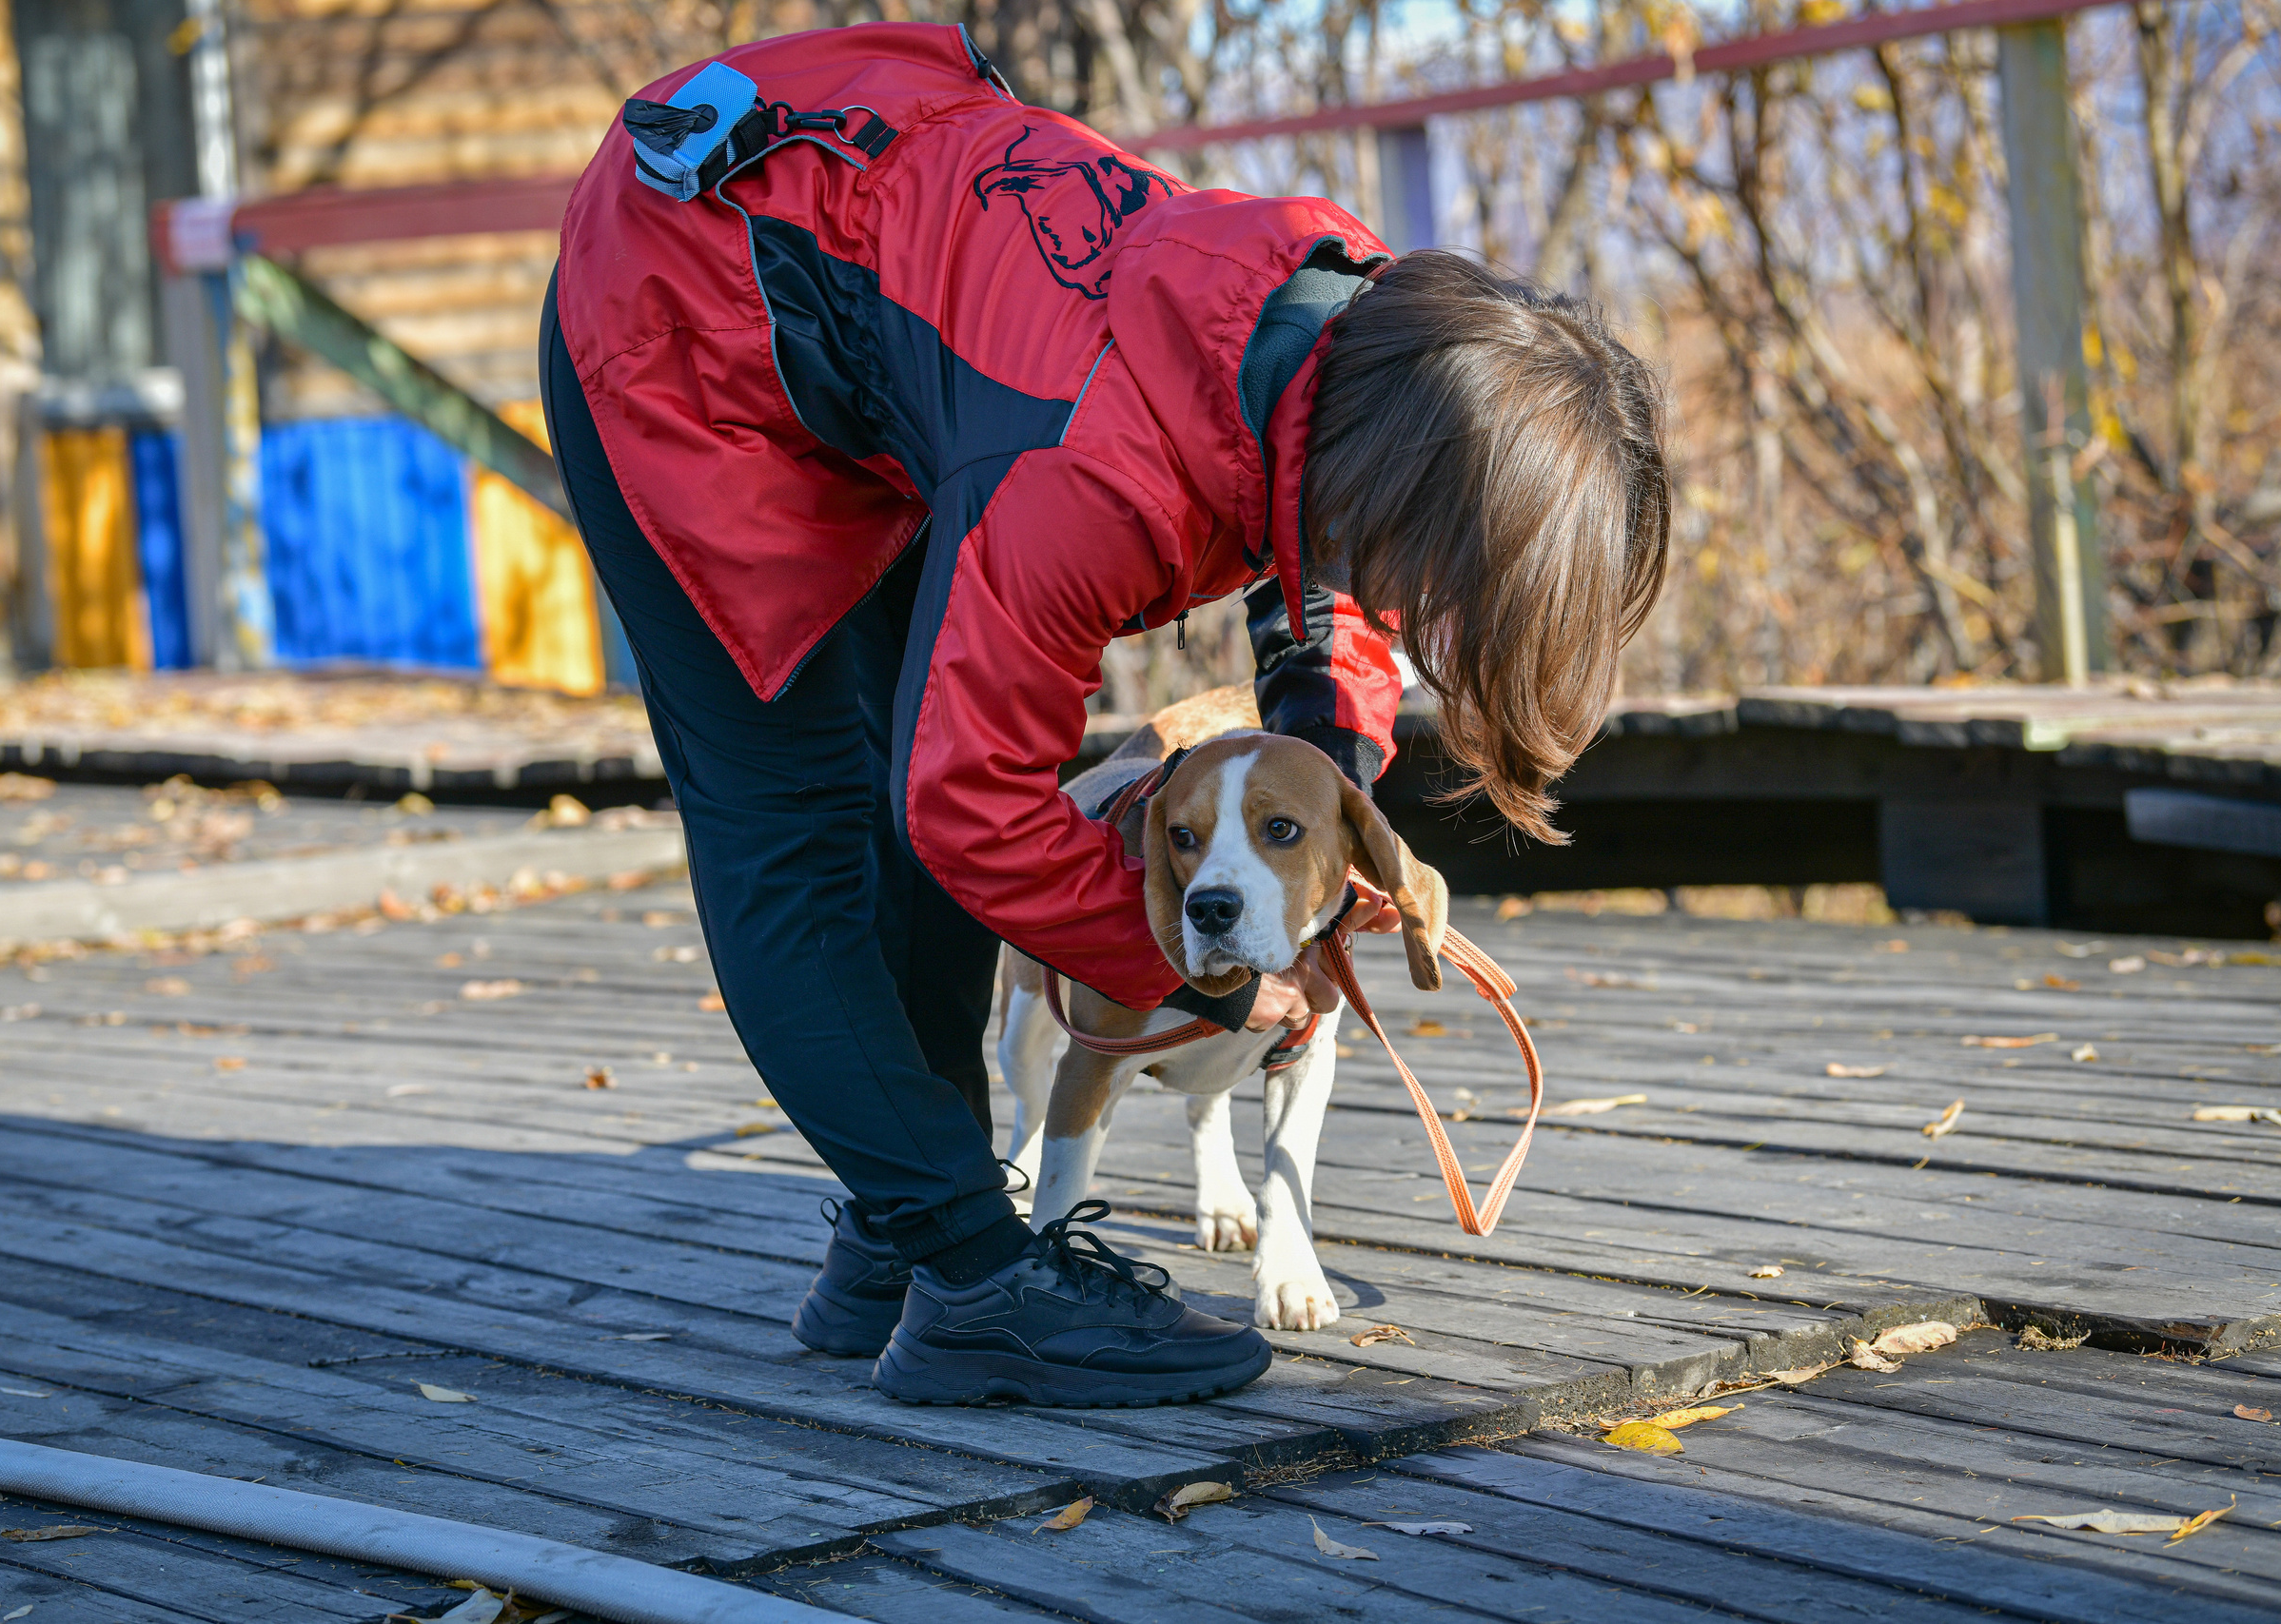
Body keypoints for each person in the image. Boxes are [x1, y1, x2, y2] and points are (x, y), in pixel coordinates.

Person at [540, 21, 1669, 1409]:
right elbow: (973, 809)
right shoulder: (1088, 477)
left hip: (871, 284)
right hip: (677, 310)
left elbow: (1327, 564)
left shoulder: (1362, 343)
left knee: (921, 772)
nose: (1428, 609)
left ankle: (897, 1243)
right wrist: (1204, 967)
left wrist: (1325, 810)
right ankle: (973, 1283)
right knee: (806, 831)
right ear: (1400, 482)